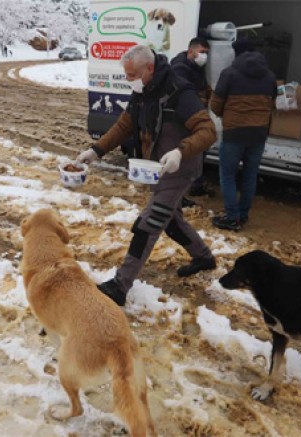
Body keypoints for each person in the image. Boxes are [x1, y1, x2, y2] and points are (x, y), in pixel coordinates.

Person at [75, 45, 217, 306]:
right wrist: (96, 150)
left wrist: (179, 152)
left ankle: (120, 285)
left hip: (179, 168)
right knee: (171, 220)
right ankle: (204, 257)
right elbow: (124, 125)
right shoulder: (143, 91)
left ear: (149, 68)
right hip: (157, 168)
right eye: (127, 75)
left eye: (132, 75)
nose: (130, 81)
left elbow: (208, 130)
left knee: (148, 224)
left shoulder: (179, 92)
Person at [209, 38, 276, 231]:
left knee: (228, 175)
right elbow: (272, 103)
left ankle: (232, 218)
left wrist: (227, 116)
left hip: (234, 133)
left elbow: (215, 104)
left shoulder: (229, 74)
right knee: (249, 175)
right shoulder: (270, 76)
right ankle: (243, 215)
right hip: (259, 133)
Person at [171, 36, 214, 202]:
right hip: (184, 119)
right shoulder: (180, 69)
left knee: (197, 153)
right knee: (184, 157)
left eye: (207, 53)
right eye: (202, 52)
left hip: (195, 117)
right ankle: (178, 196)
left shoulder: (195, 67)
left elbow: (202, 88)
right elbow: (186, 96)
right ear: (191, 51)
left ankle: (195, 186)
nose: (205, 56)